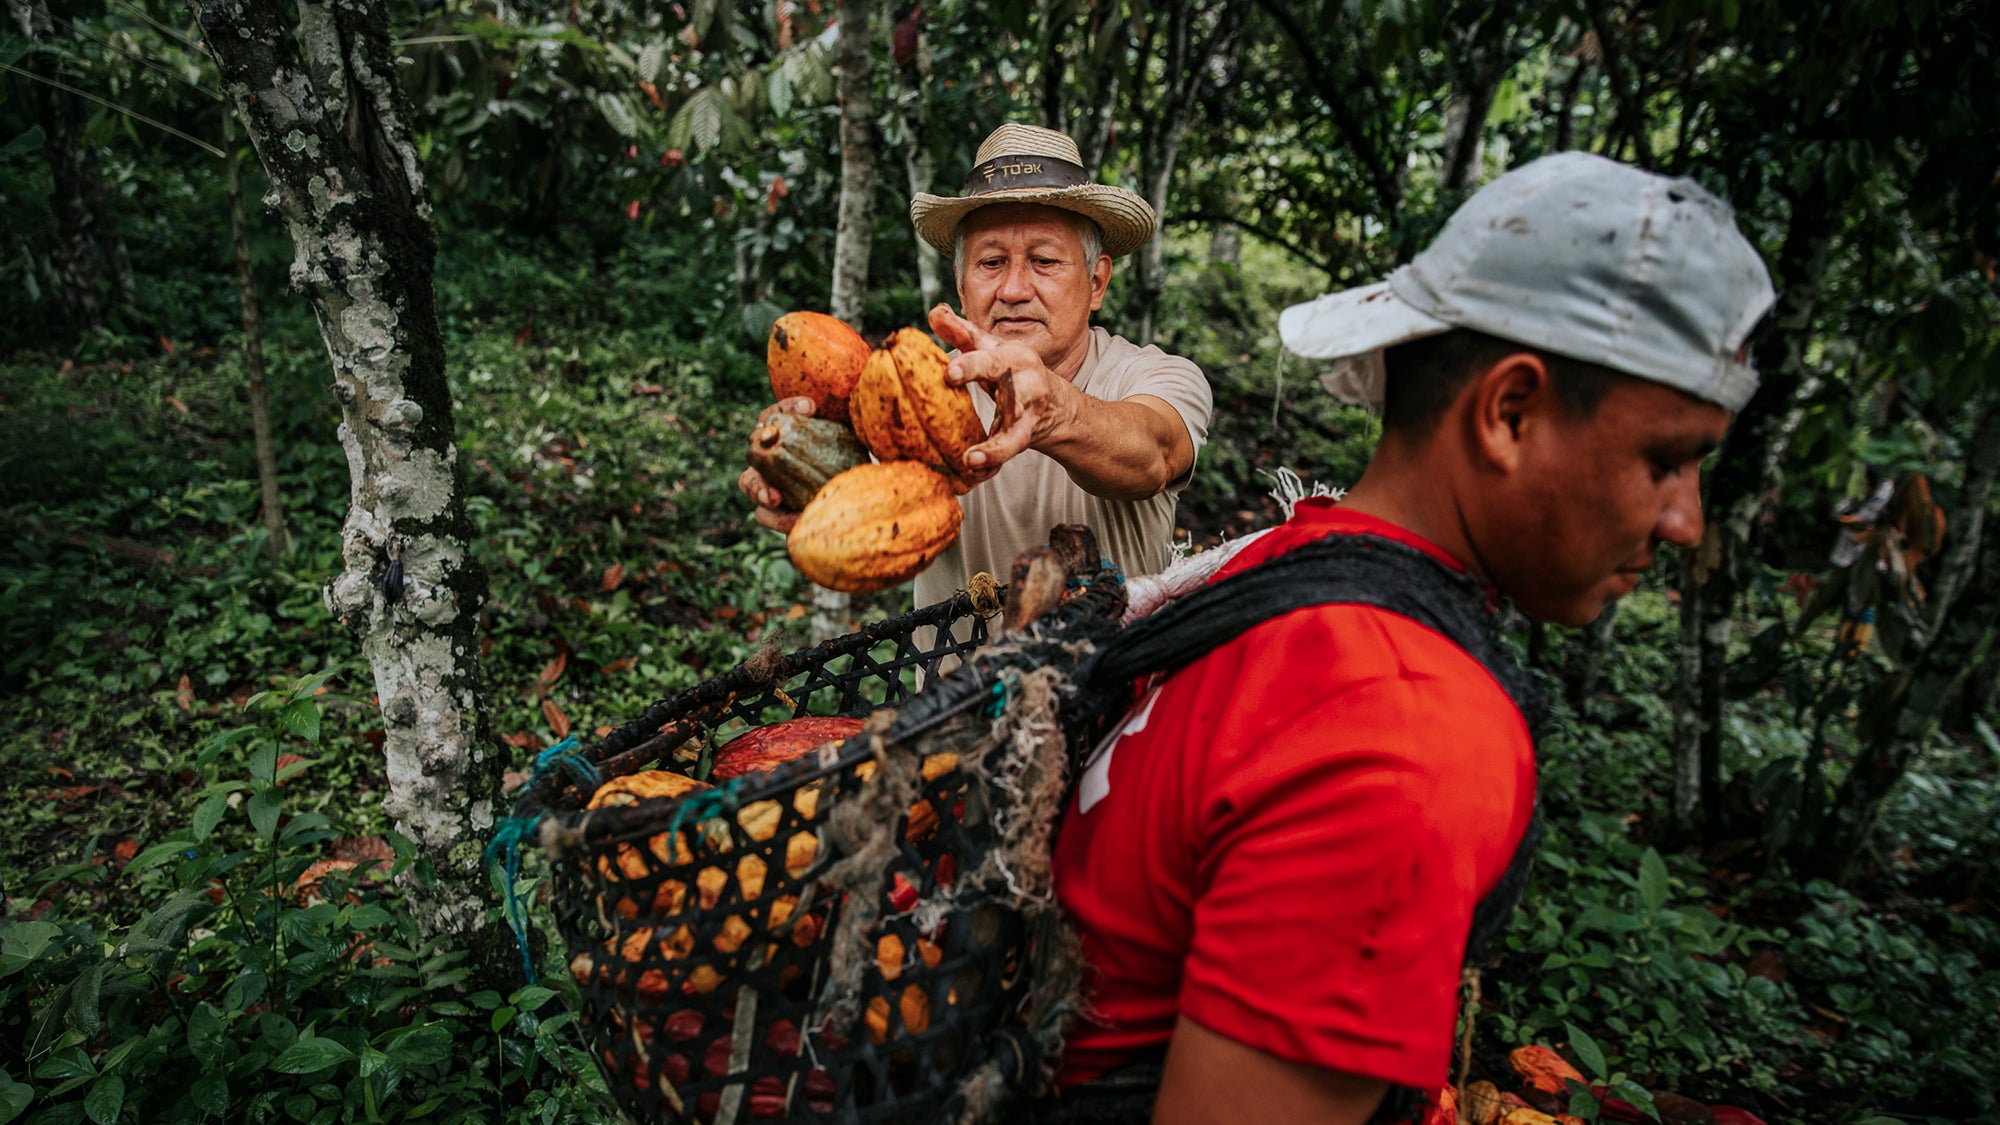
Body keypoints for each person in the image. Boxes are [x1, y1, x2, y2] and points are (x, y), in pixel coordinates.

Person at [1047, 152, 1777, 1123]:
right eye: (1666, 460)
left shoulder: (1289, 564)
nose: (1683, 519)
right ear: (1507, 413)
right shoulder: (1399, 728)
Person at [739, 123, 1214, 607]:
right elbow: (857, 491)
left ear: (1096, 282)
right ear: (961, 286)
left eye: (1045, 261)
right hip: (953, 684)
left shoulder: (1156, 375)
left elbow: (1153, 454)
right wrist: (794, 464)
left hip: (1119, 681)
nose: (1012, 289)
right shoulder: (913, 387)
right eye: (990, 263)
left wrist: (1051, 412)